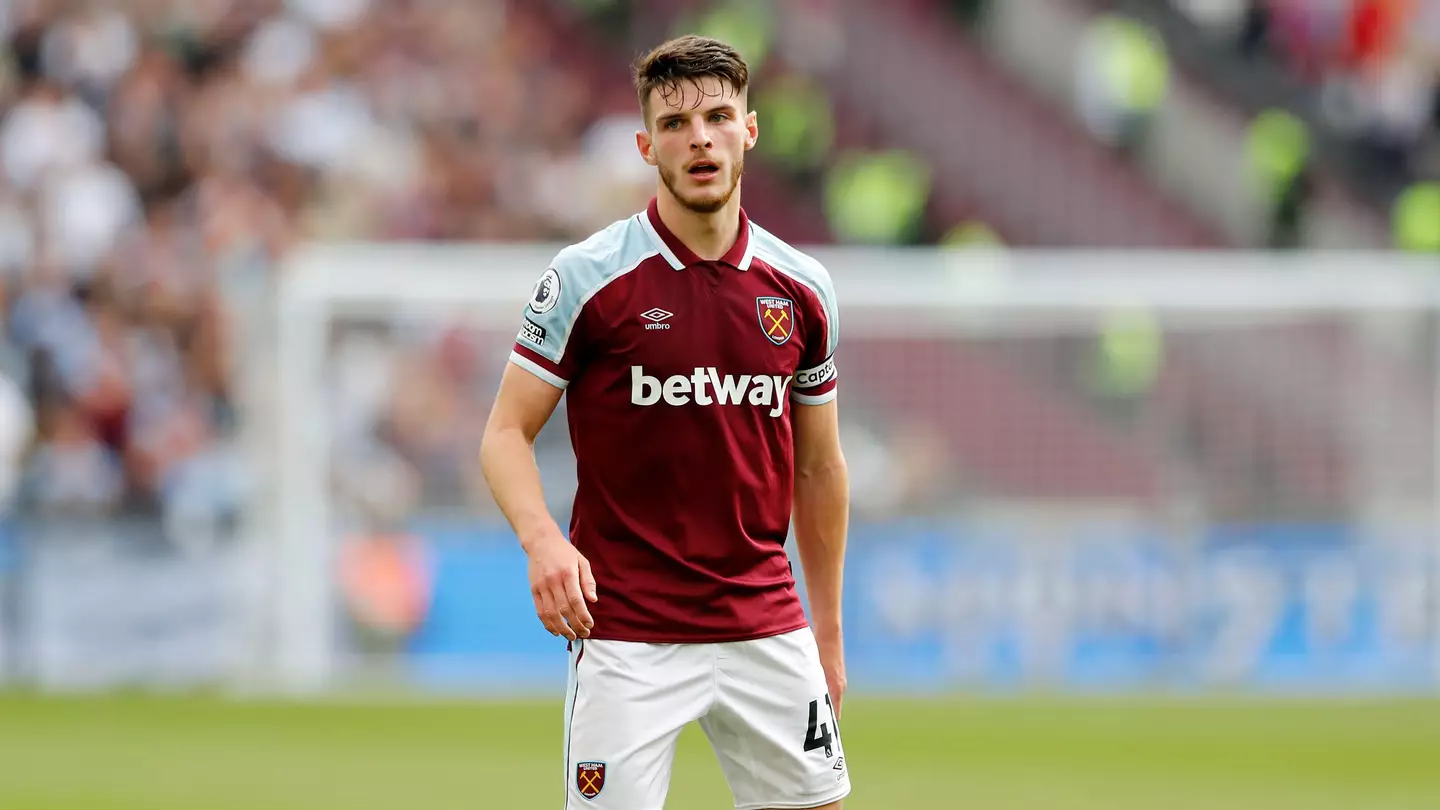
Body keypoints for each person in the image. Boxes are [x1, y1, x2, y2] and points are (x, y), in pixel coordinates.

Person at [479, 34, 852, 810]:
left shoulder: (803, 290)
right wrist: (544, 541)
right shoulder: (589, 277)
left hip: (766, 623)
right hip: (628, 635)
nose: (701, 138)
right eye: (677, 125)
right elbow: (504, 432)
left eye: (718, 117)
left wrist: (829, 631)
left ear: (749, 130)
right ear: (649, 145)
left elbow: (819, 469)